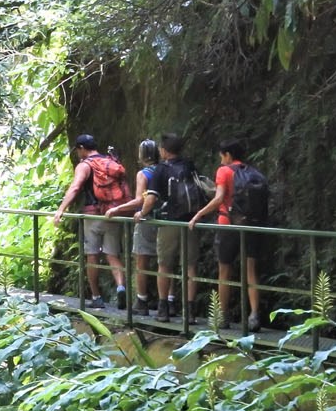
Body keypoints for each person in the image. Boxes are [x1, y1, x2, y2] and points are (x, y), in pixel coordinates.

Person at [187, 139, 270, 331]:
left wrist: (198, 215)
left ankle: (222, 316)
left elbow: (218, 199)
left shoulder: (224, 171)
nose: (221, 159)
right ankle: (254, 315)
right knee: (252, 270)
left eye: (222, 156)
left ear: (228, 155)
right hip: (251, 225)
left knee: (224, 271)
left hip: (228, 226)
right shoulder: (252, 172)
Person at [50, 134, 130, 309]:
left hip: (93, 215)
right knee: (112, 255)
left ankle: (96, 297)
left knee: (92, 255)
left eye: (78, 150)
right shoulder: (109, 163)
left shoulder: (85, 165)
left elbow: (76, 186)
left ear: (81, 148)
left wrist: (61, 209)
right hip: (112, 213)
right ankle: (121, 287)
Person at [135, 133, 203, 320]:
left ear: (164, 151)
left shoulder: (162, 170)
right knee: (190, 267)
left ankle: (163, 309)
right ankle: (189, 313)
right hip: (191, 221)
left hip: (169, 222)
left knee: (164, 265)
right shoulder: (190, 166)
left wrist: (142, 213)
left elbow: (151, 198)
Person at [106, 139, 159, 316]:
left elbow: (140, 200)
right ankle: (168, 302)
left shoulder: (144, 174)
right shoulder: (164, 170)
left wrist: (117, 208)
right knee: (165, 264)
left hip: (147, 220)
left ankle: (141, 301)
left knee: (142, 261)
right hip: (166, 220)